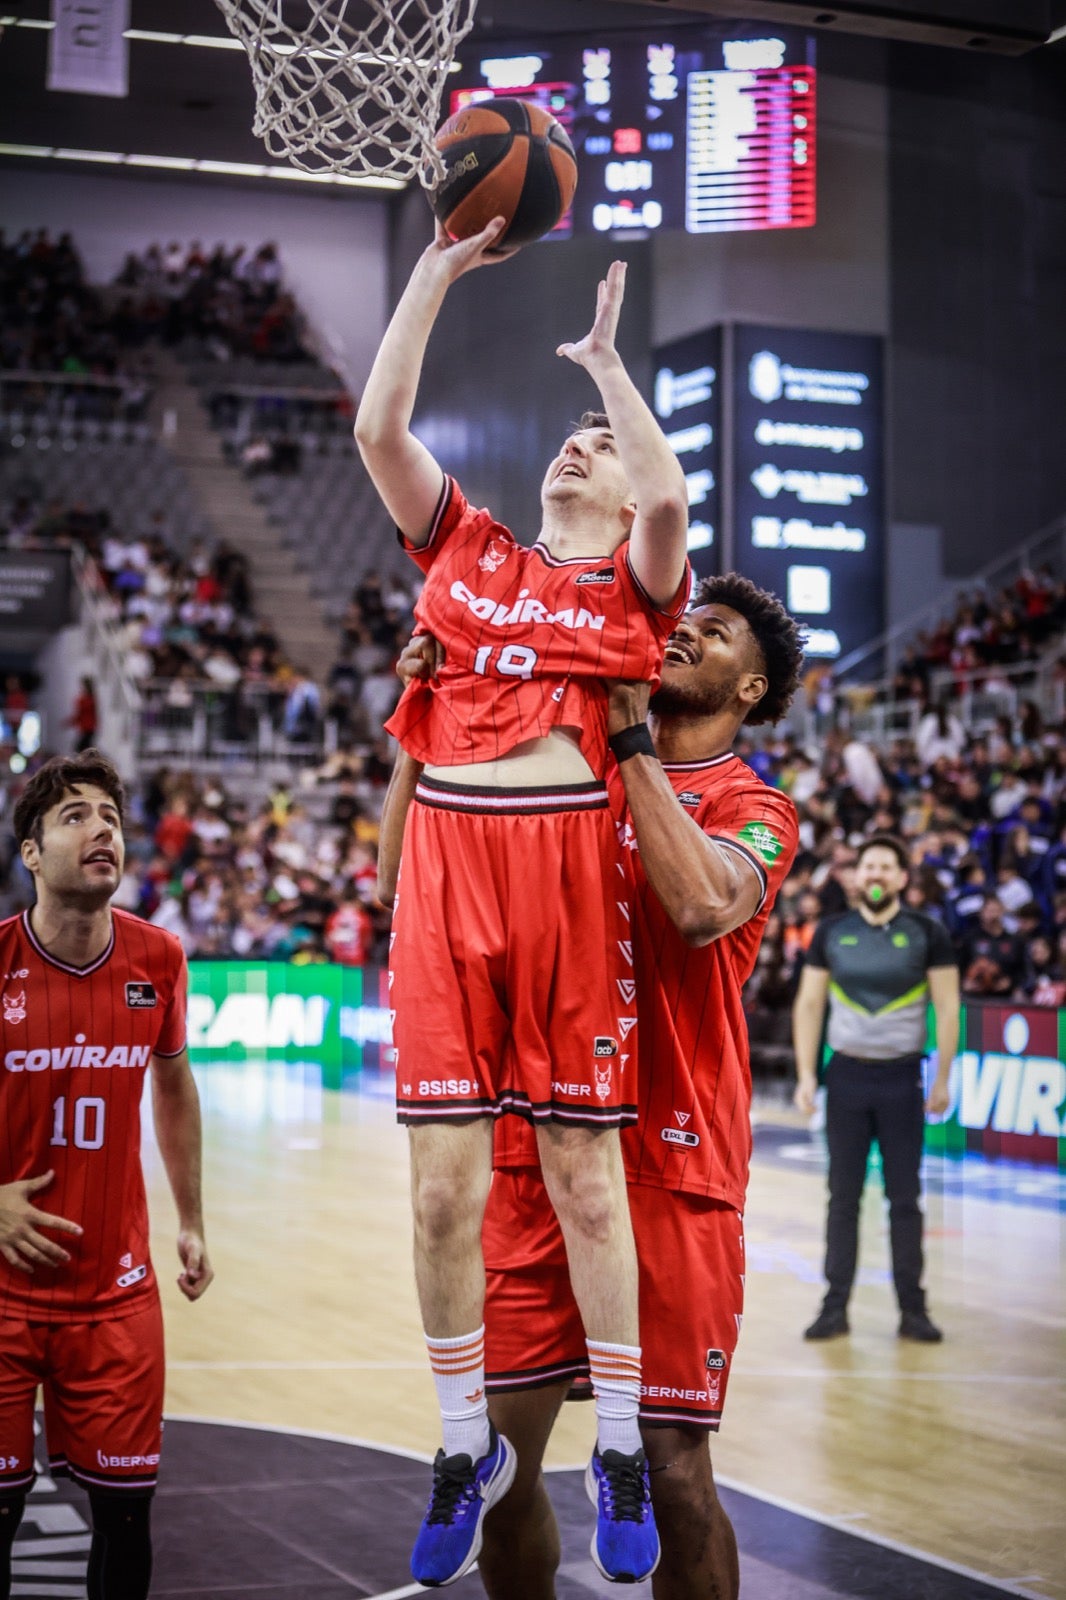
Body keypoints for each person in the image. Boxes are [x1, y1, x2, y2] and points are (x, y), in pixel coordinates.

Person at [356, 219, 689, 1586]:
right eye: (567, 434)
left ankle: (616, 1444)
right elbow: (382, 429)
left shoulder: (631, 581)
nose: (576, 449)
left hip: (559, 868)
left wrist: (610, 371)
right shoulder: (468, 551)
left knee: (581, 1182)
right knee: (439, 1196)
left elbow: (668, 504)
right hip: (446, 859)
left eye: (593, 447)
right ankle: (455, 1444)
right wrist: (435, 272)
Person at [383, 573, 803, 1598]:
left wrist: (627, 747)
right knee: (502, 1465)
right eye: (680, 621)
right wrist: (421, 728)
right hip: (540, 1149)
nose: (682, 634)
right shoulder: (559, 769)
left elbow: (703, 904)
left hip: (670, 1163)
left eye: (709, 635)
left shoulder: (756, 807)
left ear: (748, 689)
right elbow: (406, 869)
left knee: (673, 1471)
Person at [0, 751, 212, 1600]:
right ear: (30, 852)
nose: (103, 832)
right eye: (76, 816)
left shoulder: (158, 958)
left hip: (115, 1296)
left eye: (113, 819)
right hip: (3, 1298)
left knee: (127, 1522)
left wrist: (191, 1219)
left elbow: (174, 1083)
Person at [792, 833, 959, 1343]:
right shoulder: (831, 932)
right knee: (841, 1197)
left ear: (903, 879)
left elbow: (948, 1008)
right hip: (845, 1078)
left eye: (887, 867)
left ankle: (913, 1310)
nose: (877, 875)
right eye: (869, 867)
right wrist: (805, 1076)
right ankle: (833, 1306)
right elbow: (809, 1005)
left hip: (902, 1080)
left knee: (904, 1198)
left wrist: (944, 1078)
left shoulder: (928, 932)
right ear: (855, 876)